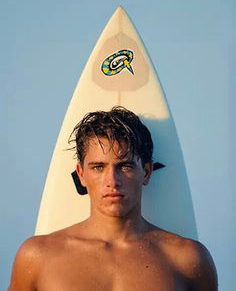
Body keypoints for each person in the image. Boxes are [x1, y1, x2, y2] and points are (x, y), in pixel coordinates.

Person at [8, 106, 218, 290]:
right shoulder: (37, 257)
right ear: (81, 174)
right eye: (98, 167)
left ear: (146, 172)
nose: (112, 180)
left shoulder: (187, 259)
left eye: (125, 166)